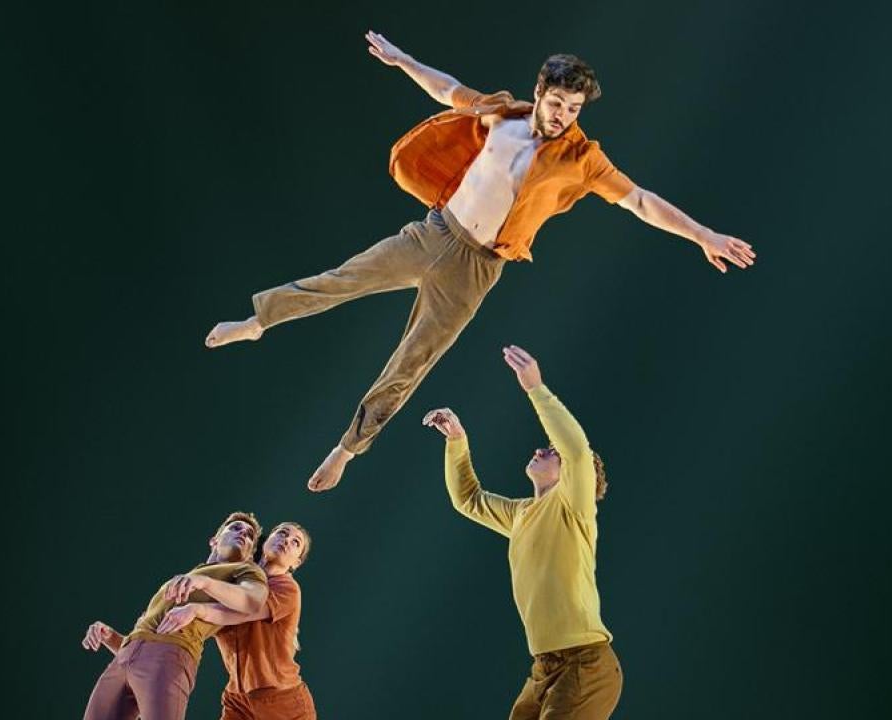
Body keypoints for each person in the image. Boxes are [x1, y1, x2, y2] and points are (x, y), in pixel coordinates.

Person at [207, 31, 756, 493]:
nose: (564, 116)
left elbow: (640, 199)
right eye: (558, 103)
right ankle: (258, 322)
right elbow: (447, 89)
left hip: (474, 269)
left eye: (574, 109)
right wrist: (403, 61)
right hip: (432, 232)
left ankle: (346, 449)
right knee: (341, 280)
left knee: (414, 359)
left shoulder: (583, 159)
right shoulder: (501, 115)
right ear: (540, 92)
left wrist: (702, 234)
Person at [423, 345, 622, 719]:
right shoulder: (521, 515)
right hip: (544, 668)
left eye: (551, 451)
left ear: (571, 478)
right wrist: (457, 441)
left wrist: (536, 389)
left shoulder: (574, 508)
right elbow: (468, 500)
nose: (541, 450)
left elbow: (577, 451)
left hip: (585, 665)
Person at [79, 512, 270, 720]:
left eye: (250, 535)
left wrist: (205, 583)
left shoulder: (245, 569)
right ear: (214, 541)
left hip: (171, 655)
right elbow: (146, 641)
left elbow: (253, 600)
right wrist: (110, 637)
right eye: (235, 528)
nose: (243, 533)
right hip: (124, 659)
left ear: (250, 554)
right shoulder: (182, 580)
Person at [198, 521, 317, 720]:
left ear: (296, 563)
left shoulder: (287, 588)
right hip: (238, 700)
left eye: (296, 542)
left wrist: (197, 606)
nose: (286, 540)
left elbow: (244, 609)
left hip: (283, 702)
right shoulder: (236, 580)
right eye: (281, 533)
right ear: (265, 541)